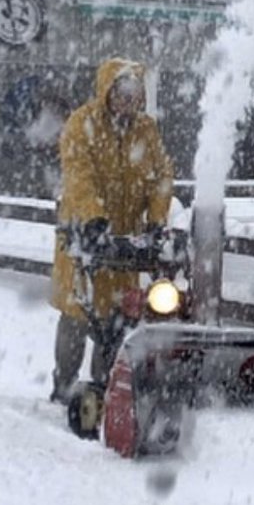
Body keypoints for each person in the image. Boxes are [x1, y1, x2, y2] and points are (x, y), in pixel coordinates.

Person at [49, 58, 174, 405]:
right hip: (83, 236)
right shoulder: (81, 124)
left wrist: (156, 219)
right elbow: (78, 176)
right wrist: (93, 218)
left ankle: (105, 388)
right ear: (108, 91)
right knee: (78, 312)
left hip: (124, 243)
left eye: (134, 94)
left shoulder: (146, 130)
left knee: (120, 316)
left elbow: (161, 175)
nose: (128, 101)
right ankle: (64, 383)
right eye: (122, 93)